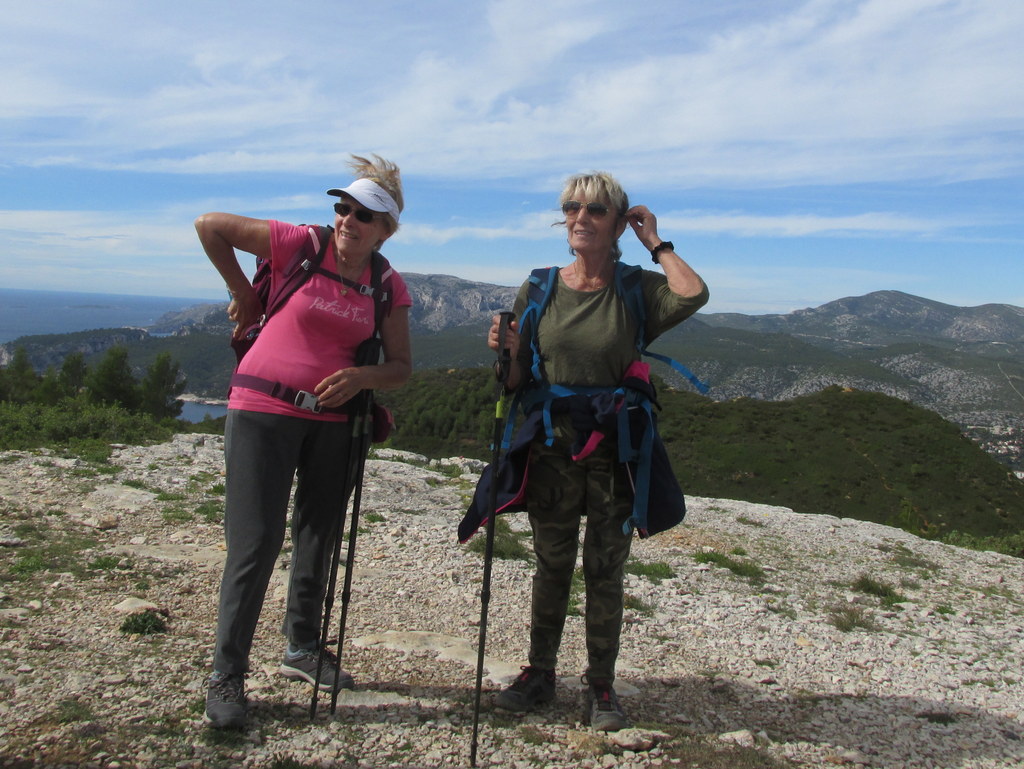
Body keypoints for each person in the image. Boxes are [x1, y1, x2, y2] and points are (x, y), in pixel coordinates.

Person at [195, 155, 413, 729]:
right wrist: (243, 291)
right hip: (262, 408)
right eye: (342, 207)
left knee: (318, 534)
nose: (347, 220)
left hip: (335, 422)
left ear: (385, 229)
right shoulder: (301, 244)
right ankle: (227, 674)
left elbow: (400, 367)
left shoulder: (387, 284)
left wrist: (362, 378)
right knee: (256, 542)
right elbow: (209, 225)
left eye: (363, 215)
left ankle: (302, 646)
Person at [484, 171, 708, 731]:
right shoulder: (538, 287)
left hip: (615, 451)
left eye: (596, 209)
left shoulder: (636, 287)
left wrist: (655, 243)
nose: (580, 217)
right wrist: (508, 353)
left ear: (616, 223)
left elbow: (693, 292)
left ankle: (601, 686)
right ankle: (539, 674)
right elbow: (514, 383)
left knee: (605, 570)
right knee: (551, 565)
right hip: (553, 448)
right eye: (571, 207)